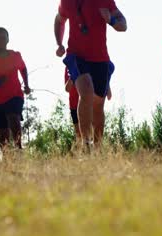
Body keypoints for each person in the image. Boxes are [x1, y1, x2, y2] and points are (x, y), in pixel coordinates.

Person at [54, 0, 127, 150]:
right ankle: (86, 145)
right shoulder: (67, 2)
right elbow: (59, 20)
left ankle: (98, 148)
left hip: (100, 59)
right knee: (86, 92)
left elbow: (123, 25)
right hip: (77, 56)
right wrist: (59, 43)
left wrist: (111, 20)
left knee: (98, 106)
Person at [0, 27, 31, 152]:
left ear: (8, 39)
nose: (1, 40)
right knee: (2, 134)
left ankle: (19, 150)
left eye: (3, 37)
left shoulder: (15, 55)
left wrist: (26, 84)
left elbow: (23, 69)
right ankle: (7, 161)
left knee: (14, 118)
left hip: (14, 96)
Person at [64, 61, 114, 145]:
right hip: (75, 105)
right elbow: (67, 88)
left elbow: (109, 95)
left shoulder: (98, 64)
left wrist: (107, 85)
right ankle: (86, 153)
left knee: (92, 134)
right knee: (80, 136)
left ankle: (95, 152)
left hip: (90, 105)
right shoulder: (73, 63)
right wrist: (74, 75)